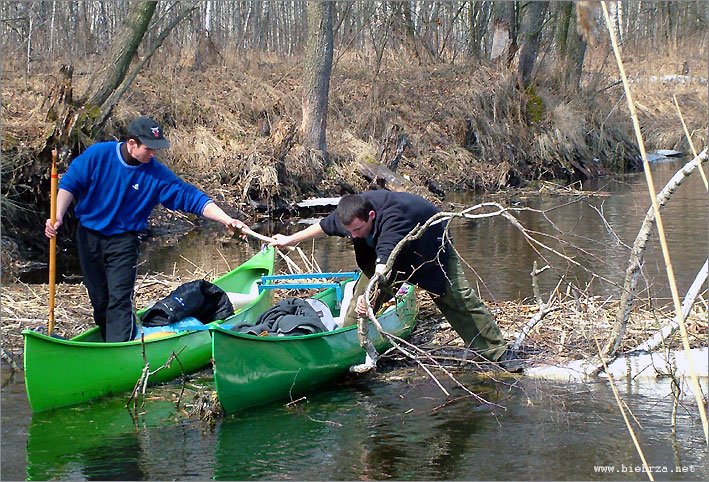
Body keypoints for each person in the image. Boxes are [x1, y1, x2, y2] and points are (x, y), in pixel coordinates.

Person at [44, 116, 249, 342]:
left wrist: (226, 219)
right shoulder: (98, 155)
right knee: (100, 298)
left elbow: (193, 198)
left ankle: (120, 348)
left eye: (156, 149)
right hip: (89, 236)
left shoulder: (156, 175)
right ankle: (108, 341)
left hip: (124, 241)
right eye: (149, 149)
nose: (153, 154)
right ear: (132, 144)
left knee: (119, 299)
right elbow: (69, 184)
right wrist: (57, 216)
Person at [270, 190, 519, 368]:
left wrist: (370, 294)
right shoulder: (350, 215)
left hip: (429, 246)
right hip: (383, 257)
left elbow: (385, 265)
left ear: (371, 216)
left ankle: (497, 352)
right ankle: (346, 350)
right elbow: (324, 226)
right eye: (349, 231)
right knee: (359, 308)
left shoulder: (393, 218)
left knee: (456, 297)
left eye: (358, 230)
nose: (354, 236)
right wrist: (289, 240)